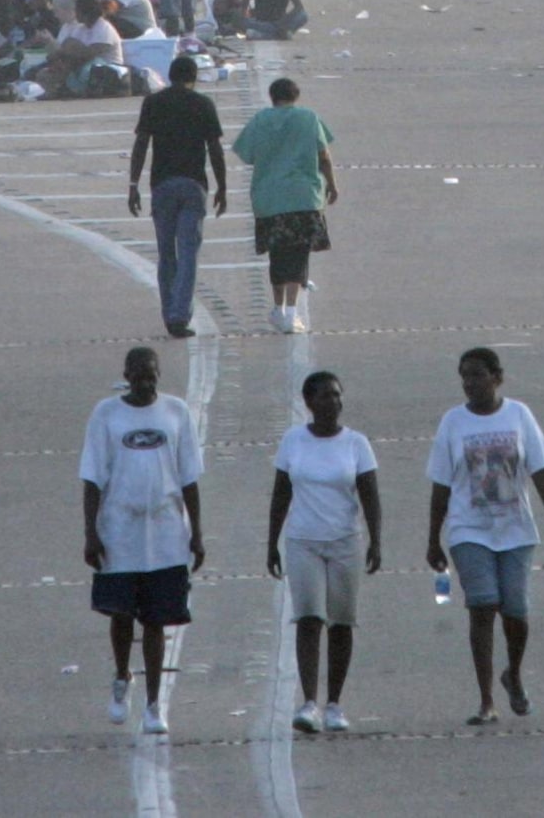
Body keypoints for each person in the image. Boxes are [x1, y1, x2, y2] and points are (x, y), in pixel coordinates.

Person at [424, 346, 544, 725]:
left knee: (516, 611)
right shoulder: (452, 423)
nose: (470, 383)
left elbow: (539, 469)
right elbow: (440, 484)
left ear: (497, 377)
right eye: (464, 376)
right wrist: (433, 538)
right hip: (469, 529)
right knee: (482, 606)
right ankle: (486, 699)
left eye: (477, 375)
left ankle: (513, 674)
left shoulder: (519, 415)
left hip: (515, 528)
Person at [81, 345, 205, 735]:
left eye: (151, 372)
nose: (145, 379)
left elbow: (189, 477)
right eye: (137, 372)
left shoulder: (176, 412)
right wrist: (91, 532)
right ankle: (122, 676)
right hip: (120, 529)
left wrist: (197, 532)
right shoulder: (106, 414)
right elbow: (92, 477)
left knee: (156, 619)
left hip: (166, 533)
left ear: (159, 373)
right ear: (126, 374)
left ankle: (153, 704)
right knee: (121, 614)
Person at [267, 369, 381, 735]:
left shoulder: (356, 444)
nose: (333, 402)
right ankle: (309, 703)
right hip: (303, 541)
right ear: (309, 402)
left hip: (345, 541)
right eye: (324, 396)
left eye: (337, 395)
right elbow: (281, 493)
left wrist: (376, 540)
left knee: (342, 622)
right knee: (309, 618)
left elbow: (370, 496)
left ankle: (335, 703)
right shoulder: (293, 442)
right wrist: (271, 542)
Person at [130, 55, 230, 339]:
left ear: (170, 75)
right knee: (188, 253)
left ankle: (168, 311)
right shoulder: (203, 104)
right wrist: (222, 186)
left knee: (166, 254)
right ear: (193, 77)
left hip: (162, 184)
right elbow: (215, 149)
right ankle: (179, 314)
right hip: (193, 184)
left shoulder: (153, 102)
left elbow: (141, 144)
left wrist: (132, 184)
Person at [234, 76, 339, 335]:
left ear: (272, 97)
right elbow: (324, 156)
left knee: (277, 253)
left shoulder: (260, 120)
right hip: (304, 196)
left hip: (269, 199)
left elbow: (246, 153)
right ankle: (291, 312)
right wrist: (332, 185)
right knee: (299, 253)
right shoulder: (309, 118)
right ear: (296, 96)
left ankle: (278, 309)